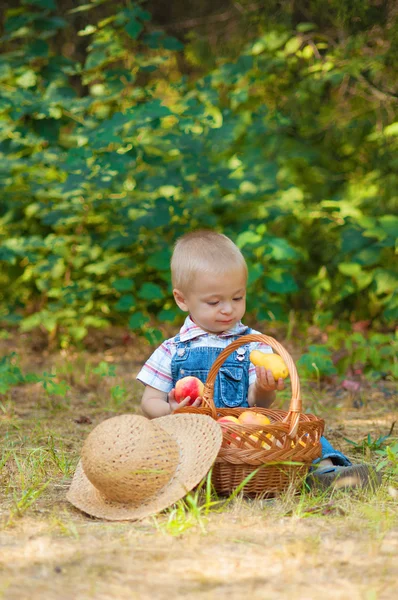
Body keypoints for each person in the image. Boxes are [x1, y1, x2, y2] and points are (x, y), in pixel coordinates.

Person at [137, 230, 379, 490]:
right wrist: (172, 411)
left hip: (246, 440)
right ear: (182, 299)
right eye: (214, 301)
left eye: (237, 297)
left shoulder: (254, 344)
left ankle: (328, 471)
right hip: (194, 436)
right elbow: (149, 402)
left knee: (292, 429)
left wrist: (264, 388)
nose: (228, 308)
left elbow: (259, 403)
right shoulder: (172, 349)